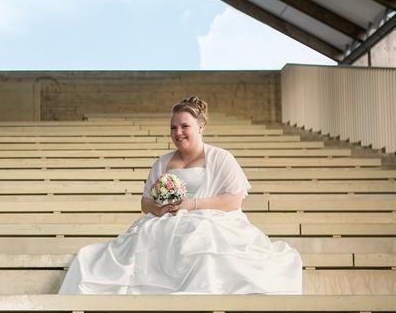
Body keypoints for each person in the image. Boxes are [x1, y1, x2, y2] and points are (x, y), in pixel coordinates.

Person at [58, 96, 302, 295]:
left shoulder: (220, 158)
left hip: (211, 217)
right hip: (167, 219)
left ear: (200, 126)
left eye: (184, 126)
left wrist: (193, 205)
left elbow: (234, 200)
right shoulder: (163, 162)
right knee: (144, 236)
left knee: (200, 236)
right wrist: (159, 209)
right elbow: (145, 202)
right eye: (173, 127)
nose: (178, 132)